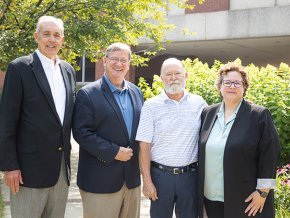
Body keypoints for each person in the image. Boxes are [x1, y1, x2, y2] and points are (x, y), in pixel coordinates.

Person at [0, 16, 76, 218]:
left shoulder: (68, 70)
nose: (52, 40)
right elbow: (6, 121)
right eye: (47, 34)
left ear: (62, 40)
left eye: (57, 35)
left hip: (61, 171)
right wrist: (10, 166)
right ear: (36, 37)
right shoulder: (20, 68)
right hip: (27, 171)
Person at [198, 62, 280, 218]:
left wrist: (262, 193)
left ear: (244, 87)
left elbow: (270, 154)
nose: (232, 86)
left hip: (246, 199)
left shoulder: (259, 115)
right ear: (220, 86)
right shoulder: (207, 113)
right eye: (227, 82)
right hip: (210, 198)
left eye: (237, 83)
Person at [72, 42, 144, 218]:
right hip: (100, 181)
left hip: (131, 181)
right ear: (104, 61)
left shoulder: (136, 92)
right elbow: (82, 133)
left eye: (123, 60)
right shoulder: (88, 94)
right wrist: (113, 152)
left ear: (129, 64)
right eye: (114, 59)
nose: (119, 64)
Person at [136, 58, 207, 218]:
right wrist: (147, 181)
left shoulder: (199, 103)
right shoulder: (151, 106)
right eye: (168, 74)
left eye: (177, 73)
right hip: (161, 177)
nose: (173, 77)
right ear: (161, 78)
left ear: (186, 75)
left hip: (190, 177)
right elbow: (144, 146)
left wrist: (240, 107)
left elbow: (217, 123)